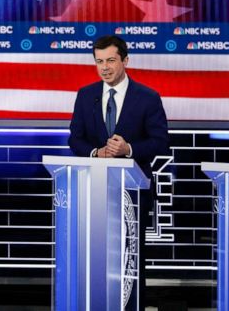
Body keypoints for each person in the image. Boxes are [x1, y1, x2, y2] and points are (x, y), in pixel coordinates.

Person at [67, 34, 169, 307]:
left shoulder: (147, 97)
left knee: (131, 257)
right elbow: (74, 138)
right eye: (99, 61)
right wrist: (95, 153)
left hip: (134, 194)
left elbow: (161, 141)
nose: (105, 68)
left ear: (125, 60)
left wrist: (129, 150)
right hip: (94, 191)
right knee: (95, 255)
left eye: (111, 60)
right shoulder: (86, 95)